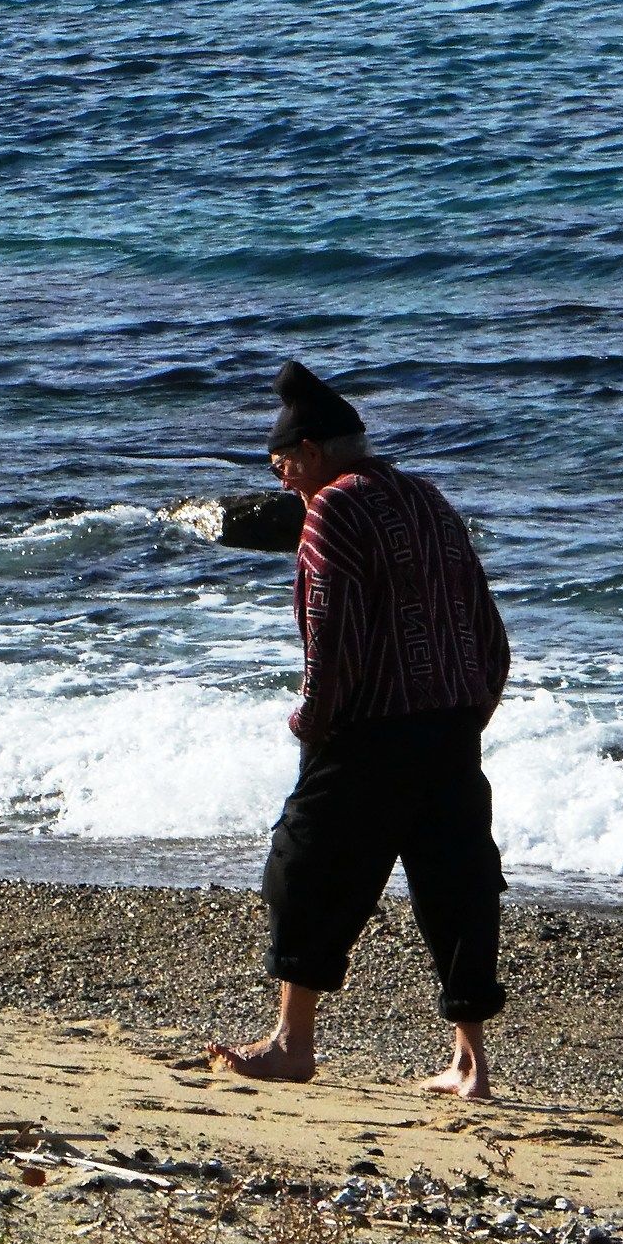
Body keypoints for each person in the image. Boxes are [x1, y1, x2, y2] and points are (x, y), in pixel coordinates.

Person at [209, 359, 512, 1099]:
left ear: (311, 451)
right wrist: (471, 710)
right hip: (449, 729)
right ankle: (470, 1063)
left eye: (282, 462)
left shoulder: (332, 508)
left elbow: (328, 632)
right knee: (458, 889)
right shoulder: (429, 499)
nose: (281, 477)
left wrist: (311, 722)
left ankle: (292, 1044)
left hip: (367, 732)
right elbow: (486, 624)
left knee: (301, 872)